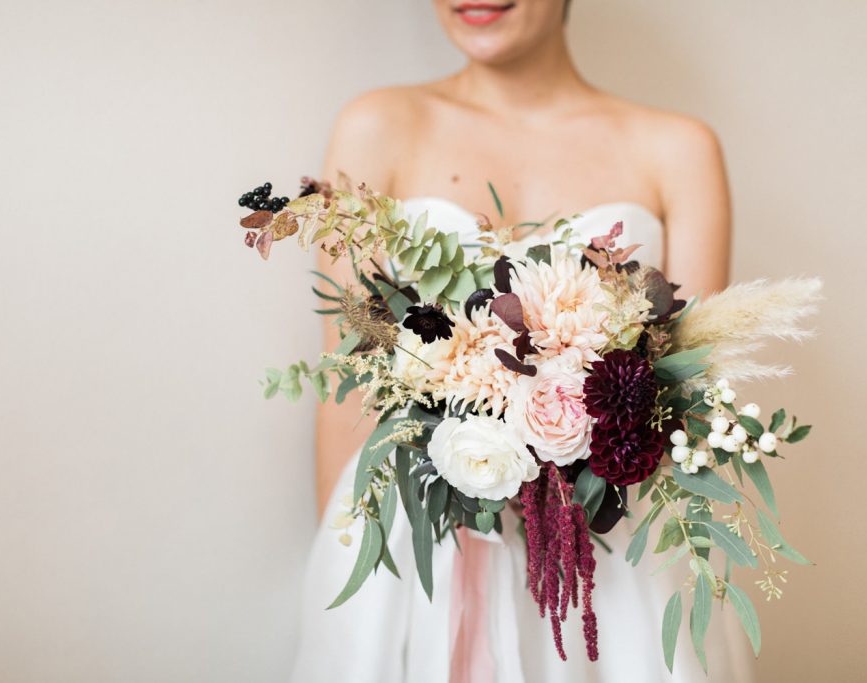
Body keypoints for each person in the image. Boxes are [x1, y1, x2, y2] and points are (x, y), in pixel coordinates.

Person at [292, 1, 749, 681]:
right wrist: (353, 572)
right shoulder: (377, 127)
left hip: (610, 559)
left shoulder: (677, 149)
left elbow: (689, 396)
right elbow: (347, 380)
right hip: (420, 550)